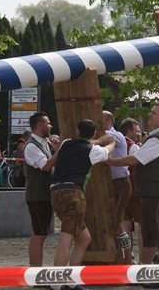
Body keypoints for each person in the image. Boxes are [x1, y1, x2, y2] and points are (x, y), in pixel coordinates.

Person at [107, 101, 159, 286]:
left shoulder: (158, 138)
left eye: (154, 113)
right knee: (150, 232)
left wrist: (109, 161)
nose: (150, 115)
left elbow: (135, 159)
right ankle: (145, 272)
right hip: (158, 190)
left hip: (156, 191)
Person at [51, 119, 115, 281]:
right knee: (66, 239)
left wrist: (98, 141)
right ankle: (58, 282)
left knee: (84, 238)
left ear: (78, 131)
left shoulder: (66, 143)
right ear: (93, 133)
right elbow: (107, 151)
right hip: (74, 194)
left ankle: (72, 280)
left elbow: (84, 142)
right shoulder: (93, 151)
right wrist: (110, 142)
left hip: (56, 192)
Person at [24, 112, 60, 266]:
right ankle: (35, 271)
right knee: (39, 234)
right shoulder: (31, 146)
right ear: (39, 125)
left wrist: (55, 146)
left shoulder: (44, 142)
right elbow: (46, 166)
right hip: (37, 196)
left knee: (42, 233)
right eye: (48, 123)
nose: (50, 126)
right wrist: (60, 150)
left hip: (44, 194)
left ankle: (37, 270)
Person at [102, 110, 132, 257]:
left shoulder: (116, 136)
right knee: (113, 222)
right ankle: (120, 255)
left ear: (108, 122)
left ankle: (127, 256)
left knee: (118, 223)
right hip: (113, 184)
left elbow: (103, 139)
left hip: (121, 184)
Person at [119, 117, 142, 264]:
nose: (139, 134)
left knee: (125, 226)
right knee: (144, 223)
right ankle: (144, 258)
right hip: (133, 189)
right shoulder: (133, 146)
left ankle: (128, 255)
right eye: (137, 131)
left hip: (120, 190)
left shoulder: (117, 144)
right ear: (129, 131)